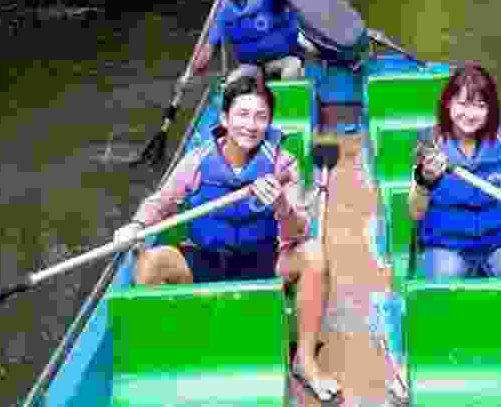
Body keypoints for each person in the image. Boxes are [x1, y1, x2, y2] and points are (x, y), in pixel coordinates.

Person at [112, 75, 341, 401]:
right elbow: (160, 202)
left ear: (270, 122)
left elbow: (299, 230)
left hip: (262, 261)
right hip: (206, 258)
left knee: (314, 254)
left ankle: (305, 361)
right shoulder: (197, 160)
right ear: (224, 119)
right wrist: (135, 225)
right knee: (150, 263)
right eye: (243, 115)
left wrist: (280, 205)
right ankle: (172, 358)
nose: (251, 125)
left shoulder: (282, 163)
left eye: (261, 116)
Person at [408, 62, 501, 280]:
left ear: (490, 110)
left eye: (480, 106)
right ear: (448, 104)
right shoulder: (429, 142)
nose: (470, 115)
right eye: (462, 104)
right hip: (448, 243)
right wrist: (425, 180)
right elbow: (415, 212)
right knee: (445, 279)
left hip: (498, 241)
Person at [191, 0, 317, 82]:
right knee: (232, 83)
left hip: (283, 60)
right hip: (252, 67)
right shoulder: (224, 8)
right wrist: (200, 61)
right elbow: (211, 43)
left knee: (292, 69)